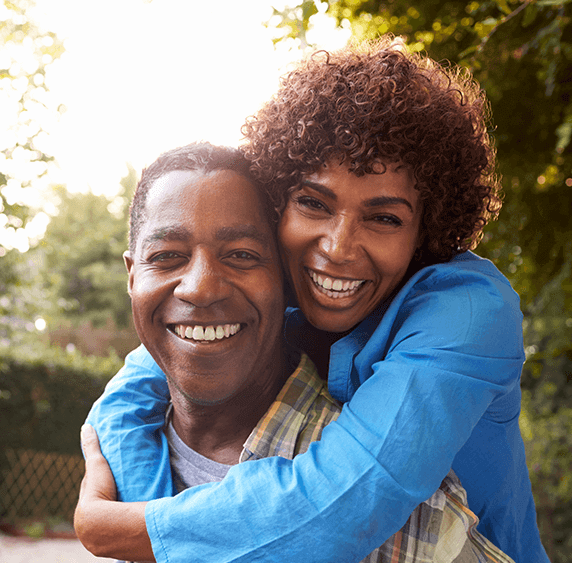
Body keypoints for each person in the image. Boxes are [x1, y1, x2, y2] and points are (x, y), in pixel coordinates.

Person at [79, 37, 548, 562]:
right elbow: (145, 374)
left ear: (426, 231)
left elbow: (340, 504)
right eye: (313, 202)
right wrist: (138, 492)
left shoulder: (467, 313)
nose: (338, 248)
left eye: (384, 217)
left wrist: (113, 530)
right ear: (279, 204)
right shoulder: (280, 290)